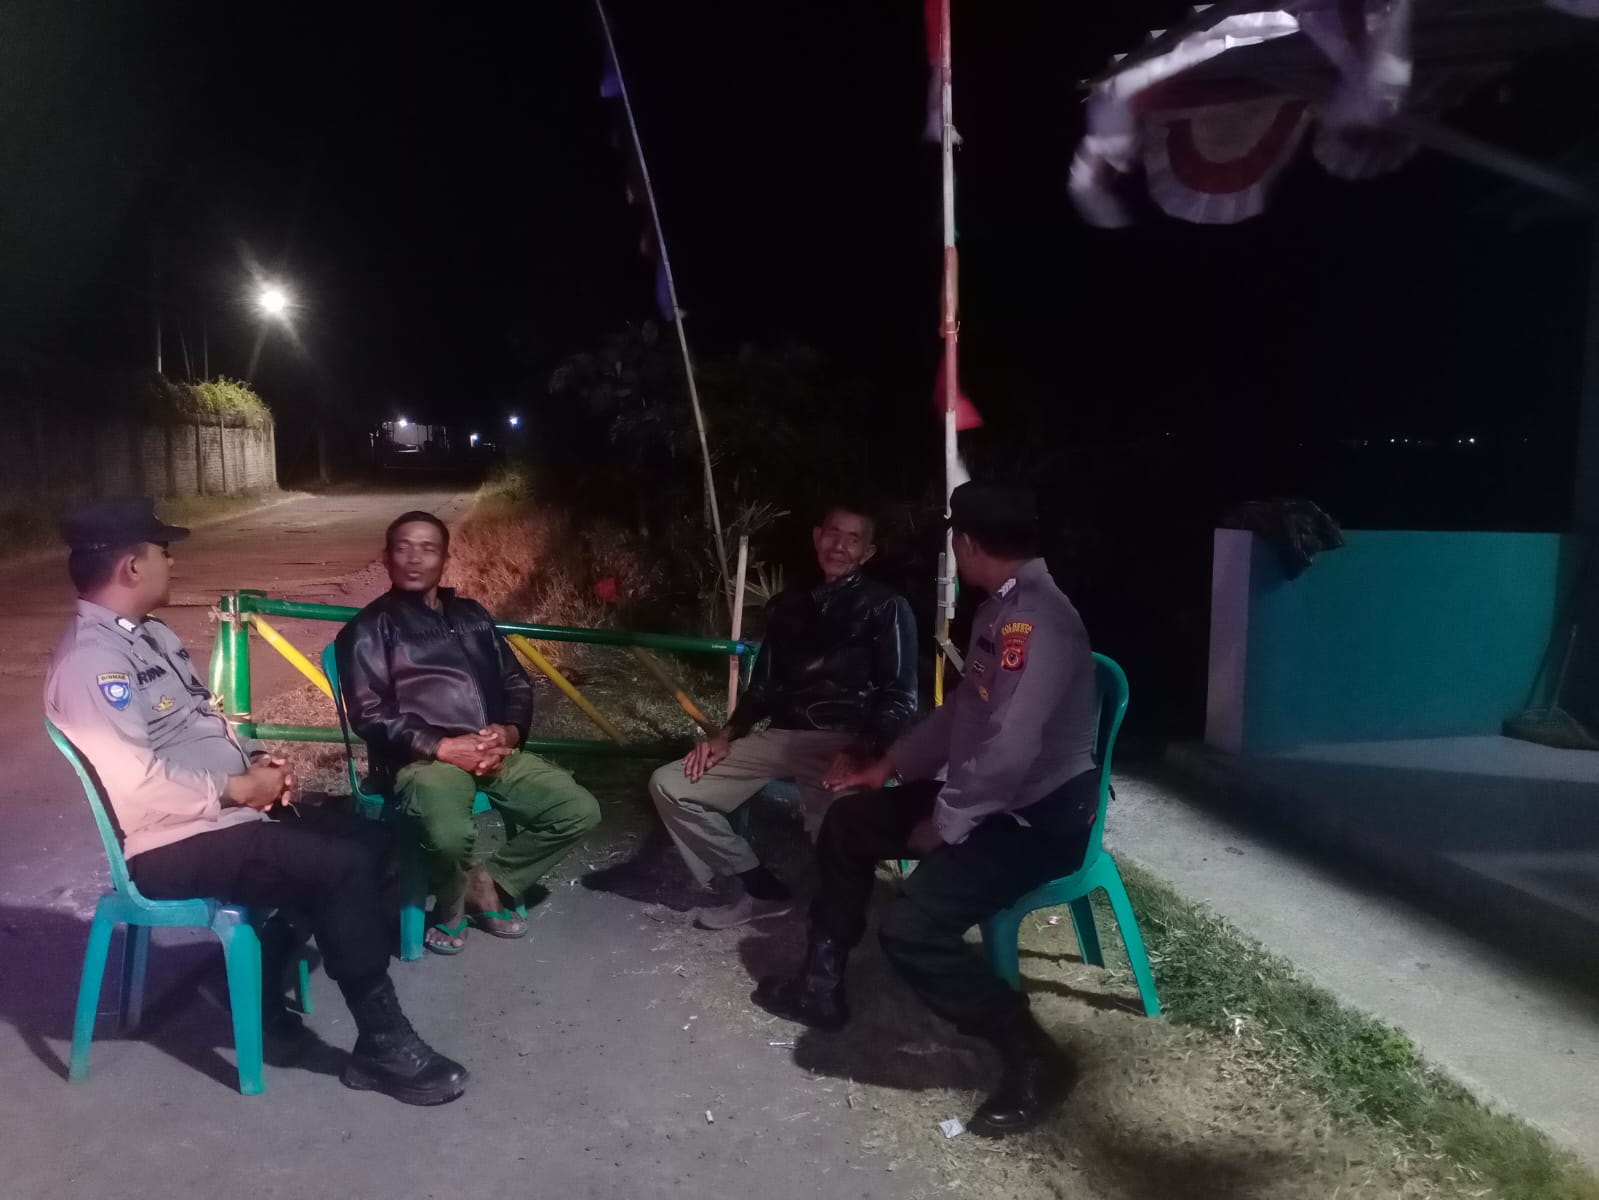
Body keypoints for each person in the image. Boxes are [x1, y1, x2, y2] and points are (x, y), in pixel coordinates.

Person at [44, 497, 467, 1106]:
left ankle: (258, 986)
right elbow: (135, 785)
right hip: (169, 843)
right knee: (340, 867)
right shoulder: (93, 662)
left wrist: (257, 762)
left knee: (375, 839)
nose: (172, 563)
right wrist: (239, 789)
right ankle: (383, 1043)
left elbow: (202, 723)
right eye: (164, 551)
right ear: (132, 567)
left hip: (222, 815)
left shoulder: (151, 635)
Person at [753, 483, 1100, 1139]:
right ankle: (820, 985)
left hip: (1036, 820)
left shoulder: (1034, 621)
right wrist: (886, 768)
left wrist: (945, 824)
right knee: (850, 819)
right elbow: (963, 713)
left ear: (966, 544)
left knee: (912, 927)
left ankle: (1033, 1055)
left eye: (953, 542)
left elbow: (1007, 751)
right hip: (991, 796)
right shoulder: (1002, 608)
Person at [336, 510, 601, 955]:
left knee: (577, 809)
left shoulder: (472, 615)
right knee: (449, 833)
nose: (414, 558)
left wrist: (509, 732)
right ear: (386, 557)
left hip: (490, 751)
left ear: (445, 558)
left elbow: (515, 681)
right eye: (403, 548)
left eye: (428, 549)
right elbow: (369, 713)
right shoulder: (368, 630)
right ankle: (451, 904)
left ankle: (488, 881)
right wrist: (441, 746)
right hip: (422, 761)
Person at [648, 501, 918, 930]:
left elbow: (900, 696)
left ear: (867, 552)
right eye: (833, 533)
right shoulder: (787, 605)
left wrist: (863, 747)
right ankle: (758, 887)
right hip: (781, 736)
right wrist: (727, 734)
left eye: (853, 539)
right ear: (817, 537)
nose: (839, 546)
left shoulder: (886, 607)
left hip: (845, 739)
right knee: (671, 784)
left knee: (843, 829)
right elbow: (763, 688)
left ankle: (841, 924)